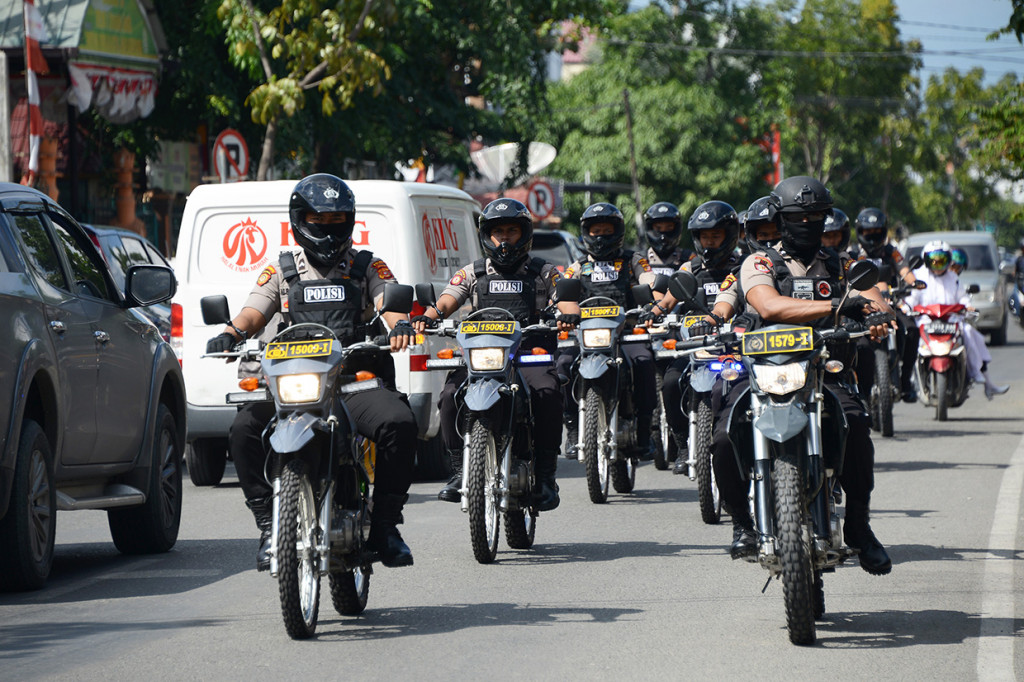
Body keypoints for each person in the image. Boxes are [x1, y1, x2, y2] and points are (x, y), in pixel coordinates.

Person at [206, 174, 418, 571]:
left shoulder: (367, 264)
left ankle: (387, 527)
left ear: (349, 221)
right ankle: (269, 526)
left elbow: (388, 301)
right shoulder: (280, 270)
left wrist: (400, 323)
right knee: (243, 430)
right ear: (299, 220)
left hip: (352, 383)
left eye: (335, 220)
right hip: (292, 385)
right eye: (316, 219)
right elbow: (254, 311)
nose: (325, 227)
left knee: (400, 422)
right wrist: (231, 333)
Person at [707, 176, 895, 575]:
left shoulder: (839, 263)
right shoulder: (759, 262)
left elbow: (873, 295)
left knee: (858, 426)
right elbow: (769, 305)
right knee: (724, 436)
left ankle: (859, 527)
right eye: (798, 216)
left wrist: (880, 313)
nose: (808, 223)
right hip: (762, 371)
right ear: (781, 218)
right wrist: (839, 307)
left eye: (817, 216)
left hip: (823, 373)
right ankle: (742, 524)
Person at [411, 198, 580, 510]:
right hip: (481, 354)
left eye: (511, 231)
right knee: (450, 395)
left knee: (547, 391)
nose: (504, 238)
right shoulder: (473, 272)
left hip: (528, 352)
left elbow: (567, 299)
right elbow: (448, 299)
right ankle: (460, 472)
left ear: (524, 233)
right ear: (486, 236)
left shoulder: (544, 272)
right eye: (498, 231)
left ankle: (545, 475)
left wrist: (568, 313)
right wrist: (428, 316)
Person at [558, 202, 661, 459]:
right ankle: (572, 429)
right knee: (564, 365)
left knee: (644, 361)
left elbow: (650, 282)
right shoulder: (579, 265)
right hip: (587, 336)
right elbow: (565, 293)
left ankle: (646, 430)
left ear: (617, 231)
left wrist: (652, 307)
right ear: (586, 233)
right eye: (596, 230)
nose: (601, 235)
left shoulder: (633, 260)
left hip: (626, 332)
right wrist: (569, 313)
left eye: (606, 229)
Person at [653, 200, 743, 475]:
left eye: (716, 236)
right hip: (696, 346)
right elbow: (668, 299)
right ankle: (682, 444)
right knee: (670, 382)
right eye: (705, 237)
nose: (709, 243)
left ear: (729, 237)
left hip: (735, 347)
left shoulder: (743, 267)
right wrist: (652, 312)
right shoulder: (690, 268)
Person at [905, 241, 1009, 399]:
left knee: (968, 332)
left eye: (942, 260)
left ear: (949, 260)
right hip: (926, 320)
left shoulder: (952, 277)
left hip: (950, 319)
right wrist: (907, 307)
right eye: (934, 260)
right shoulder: (919, 276)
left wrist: (968, 307)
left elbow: (962, 298)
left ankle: (976, 372)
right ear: (926, 260)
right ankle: (911, 379)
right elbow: (912, 298)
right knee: (913, 340)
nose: (938, 264)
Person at [853, 207, 924, 402]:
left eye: (877, 231)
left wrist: (913, 282)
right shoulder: (853, 254)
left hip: (891, 302)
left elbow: (904, 270)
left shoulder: (891, 251)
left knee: (911, 329)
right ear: (860, 232)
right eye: (868, 232)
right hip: (865, 306)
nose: (873, 236)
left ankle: (906, 379)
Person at [643, 201, 696, 277]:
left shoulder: (689, 258)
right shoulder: (640, 260)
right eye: (658, 228)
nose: (663, 236)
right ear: (650, 228)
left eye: (669, 228)